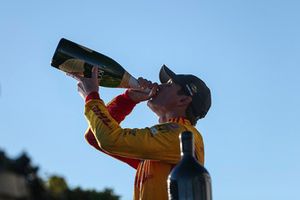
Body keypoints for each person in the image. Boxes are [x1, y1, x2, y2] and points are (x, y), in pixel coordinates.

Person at [67, 65, 211, 200]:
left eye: (169, 84)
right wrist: (127, 99)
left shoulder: (180, 134)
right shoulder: (163, 146)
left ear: (183, 99)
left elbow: (110, 140)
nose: (159, 86)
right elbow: (95, 137)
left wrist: (91, 96)